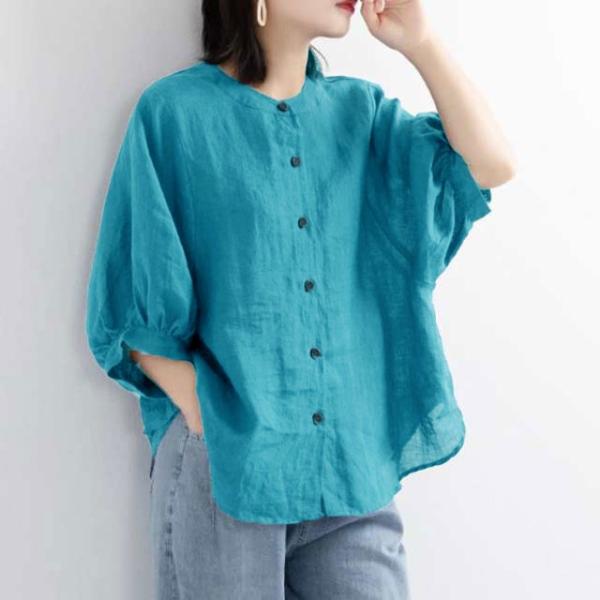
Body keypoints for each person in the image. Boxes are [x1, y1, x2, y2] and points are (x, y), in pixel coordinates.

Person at [85, 0, 516, 597]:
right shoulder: (175, 113)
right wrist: (202, 411)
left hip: (351, 471)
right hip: (230, 468)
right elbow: (132, 304)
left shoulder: (361, 114)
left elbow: (489, 165)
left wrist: (420, 43)